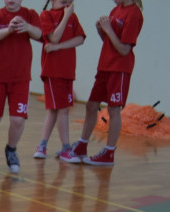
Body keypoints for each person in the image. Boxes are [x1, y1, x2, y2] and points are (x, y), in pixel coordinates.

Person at [60, 0, 143, 167]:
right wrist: (101, 31)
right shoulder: (115, 10)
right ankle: (82, 145)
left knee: (113, 109)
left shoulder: (134, 14)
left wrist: (109, 29)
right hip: (105, 65)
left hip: (119, 68)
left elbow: (124, 49)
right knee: (91, 105)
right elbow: (109, 40)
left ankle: (109, 152)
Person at [0, 0, 43, 175]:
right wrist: (9, 29)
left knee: (18, 120)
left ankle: (11, 150)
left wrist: (27, 26)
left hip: (20, 77)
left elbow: (41, 34)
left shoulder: (30, 14)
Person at [33, 0, 85, 160]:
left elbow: (80, 39)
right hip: (53, 71)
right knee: (62, 110)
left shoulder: (73, 17)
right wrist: (66, 16)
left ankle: (42, 145)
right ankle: (65, 148)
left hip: (68, 72)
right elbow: (54, 38)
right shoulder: (46, 15)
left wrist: (58, 47)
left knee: (55, 110)